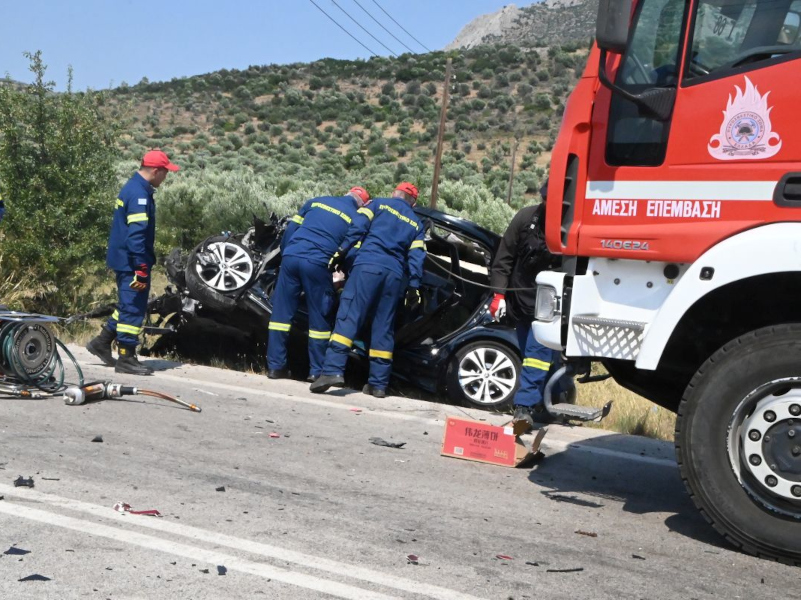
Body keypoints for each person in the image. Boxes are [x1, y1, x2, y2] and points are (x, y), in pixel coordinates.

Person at [310, 182, 426, 398]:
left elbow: (357, 227)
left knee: (350, 315)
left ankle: (332, 371)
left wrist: (340, 252)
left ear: (394, 193)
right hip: (393, 276)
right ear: (414, 203)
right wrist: (414, 286)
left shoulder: (379, 205)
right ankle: (378, 384)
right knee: (384, 326)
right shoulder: (416, 224)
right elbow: (417, 257)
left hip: (367, 267)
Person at [86, 150, 179, 375]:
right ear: (156, 171)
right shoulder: (139, 194)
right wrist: (141, 267)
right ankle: (126, 357)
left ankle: (102, 341)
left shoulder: (134, 187)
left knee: (130, 304)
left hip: (125, 259)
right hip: (131, 262)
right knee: (134, 308)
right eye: (165, 172)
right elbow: (136, 235)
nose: (166, 176)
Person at [267, 186, 372, 381]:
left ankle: (275, 367)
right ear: (363, 204)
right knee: (319, 320)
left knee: (280, 317)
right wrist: (346, 273)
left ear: (347, 193)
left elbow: (291, 228)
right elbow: (352, 252)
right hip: (317, 264)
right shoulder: (357, 217)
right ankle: (316, 372)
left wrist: (287, 252)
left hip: (291, 258)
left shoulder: (317, 200)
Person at [488, 196, 561, 426]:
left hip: (551, 304)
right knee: (535, 357)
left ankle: (524, 407)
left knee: (537, 356)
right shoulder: (525, 218)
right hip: (521, 300)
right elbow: (503, 259)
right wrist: (498, 294)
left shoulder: (569, 224)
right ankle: (550, 405)